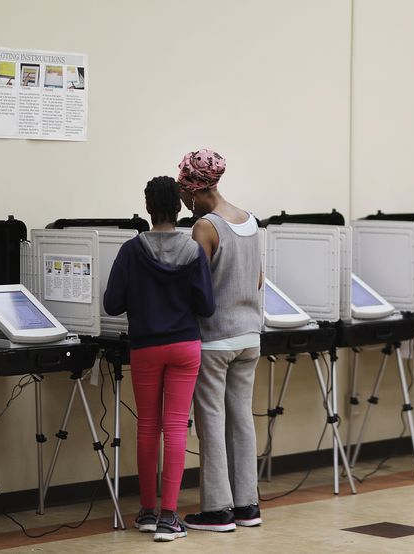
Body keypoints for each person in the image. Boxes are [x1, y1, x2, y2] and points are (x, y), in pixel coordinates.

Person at [104, 176, 215, 542]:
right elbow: (206, 306)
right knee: (175, 428)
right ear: (179, 207)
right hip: (184, 347)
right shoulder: (192, 251)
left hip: (145, 347)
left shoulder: (131, 251)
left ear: (148, 207)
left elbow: (112, 303)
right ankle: (170, 518)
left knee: (148, 426)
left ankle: (147, 512)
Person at [176, 149, 264, 532]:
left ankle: (216, 510)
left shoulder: (205, 227)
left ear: (195, 189)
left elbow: (196, 287)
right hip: (250, 336)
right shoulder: (250, 220)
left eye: (183, 191)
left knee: (211, 421)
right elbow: (258, 280)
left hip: (215, 339)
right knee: (242, 420)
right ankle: (247, 505)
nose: (181, 199)